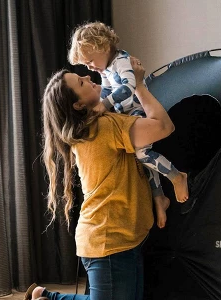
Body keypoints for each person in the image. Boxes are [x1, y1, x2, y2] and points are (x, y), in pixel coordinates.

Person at [5, 58, 175, 300]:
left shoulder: (94, 127)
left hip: (125, 236)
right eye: (82, 83)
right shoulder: (103, 128)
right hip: (108, 241)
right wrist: (138, 83)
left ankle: (45, 295)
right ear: (78, 105)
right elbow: (164, 126)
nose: (90, 79)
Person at [68, 21, 189, 228]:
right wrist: (100, 109)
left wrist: (104, 106)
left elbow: (128, 87)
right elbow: (107, 91)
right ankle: (159, 197)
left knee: (142, 153)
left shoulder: (121, 61)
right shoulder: (106, 70)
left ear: (103, 47)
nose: (89, 68)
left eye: (90, 61)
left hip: (136, 110)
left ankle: (177, 176)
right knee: (138, 159)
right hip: (124, 113)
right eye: (86, 65)